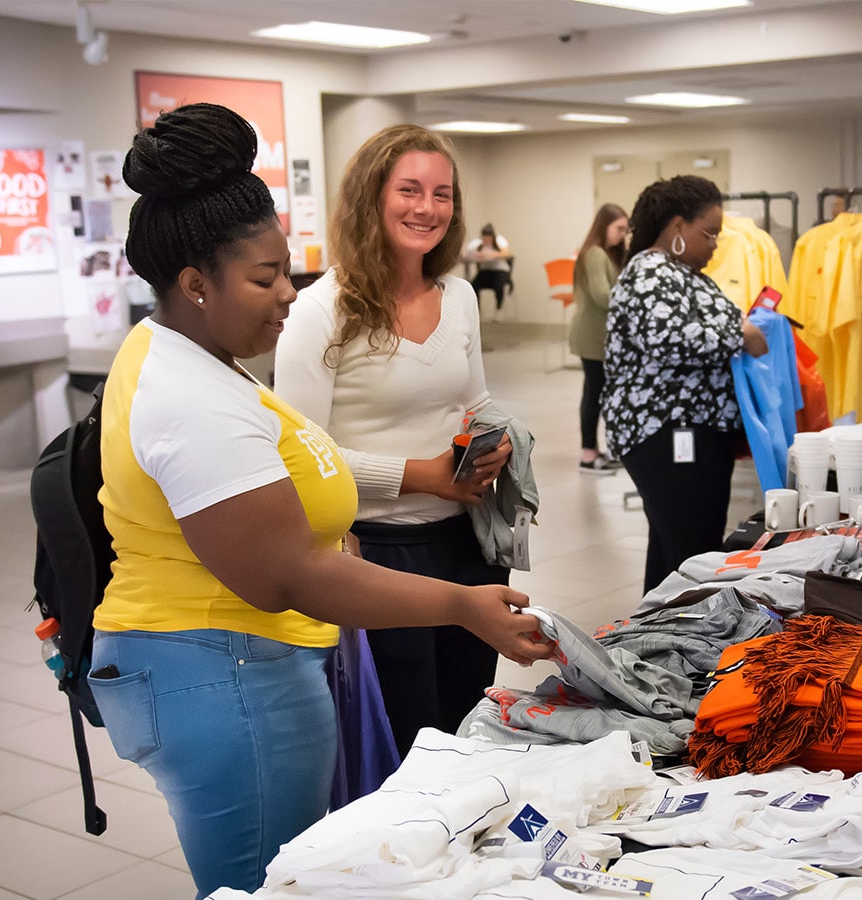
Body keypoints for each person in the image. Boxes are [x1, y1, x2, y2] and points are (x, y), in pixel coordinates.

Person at [90, 104, 550, 898]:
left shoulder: (197, 356)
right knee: (267, 884)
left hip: (243, 659)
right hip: (221, 671)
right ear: (196, 285)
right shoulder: (190, 392)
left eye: (287, 273)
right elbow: (286, 574)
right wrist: (461, 604)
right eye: (266, 279)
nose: (285, 296)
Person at [273, 125, 528, 760]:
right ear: (370, 198)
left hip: (467, 544)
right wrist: (421, 474)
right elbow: (303, 457)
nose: (427, 208)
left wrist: (496, 440)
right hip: (377, 554)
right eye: (409, 189)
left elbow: (472, 402)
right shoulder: (319, 311)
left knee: (465, 729)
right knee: (403, 745)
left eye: (442, 193)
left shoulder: (460, 297)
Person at [602, 175, 768, 593]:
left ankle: (654, 645)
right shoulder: (650, 271)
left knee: (673, 553)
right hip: (669, 435)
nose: (714, 244)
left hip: (693, 433)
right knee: (694, 556)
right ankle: (686, 645)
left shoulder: (682, 274)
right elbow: (667, 339)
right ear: (677, 227)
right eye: (708, 233)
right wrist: (741, 336)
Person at [568, 202, 628, 474]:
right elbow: (602, 296)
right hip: (593, 337)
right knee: (594, 394)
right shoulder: (594, 254)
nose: (622, 235)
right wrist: (634, 295)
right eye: (619, 228)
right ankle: (588, 456)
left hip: (597, 336)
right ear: (604, 225)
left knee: (596, 393)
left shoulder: (602, 253)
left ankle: (594, 451)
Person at [464, 223, 512, 321]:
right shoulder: (477, 244)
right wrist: (477, 255)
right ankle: (477, 310)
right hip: (485, 271)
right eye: (484, 237)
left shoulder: (499, 240)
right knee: (473, 286)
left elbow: (507, 254)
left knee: (499, 285)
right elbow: (467, 253)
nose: (486, 240)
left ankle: (499, 310)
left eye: (488, 237)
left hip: (500, 271)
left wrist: (493, 255)